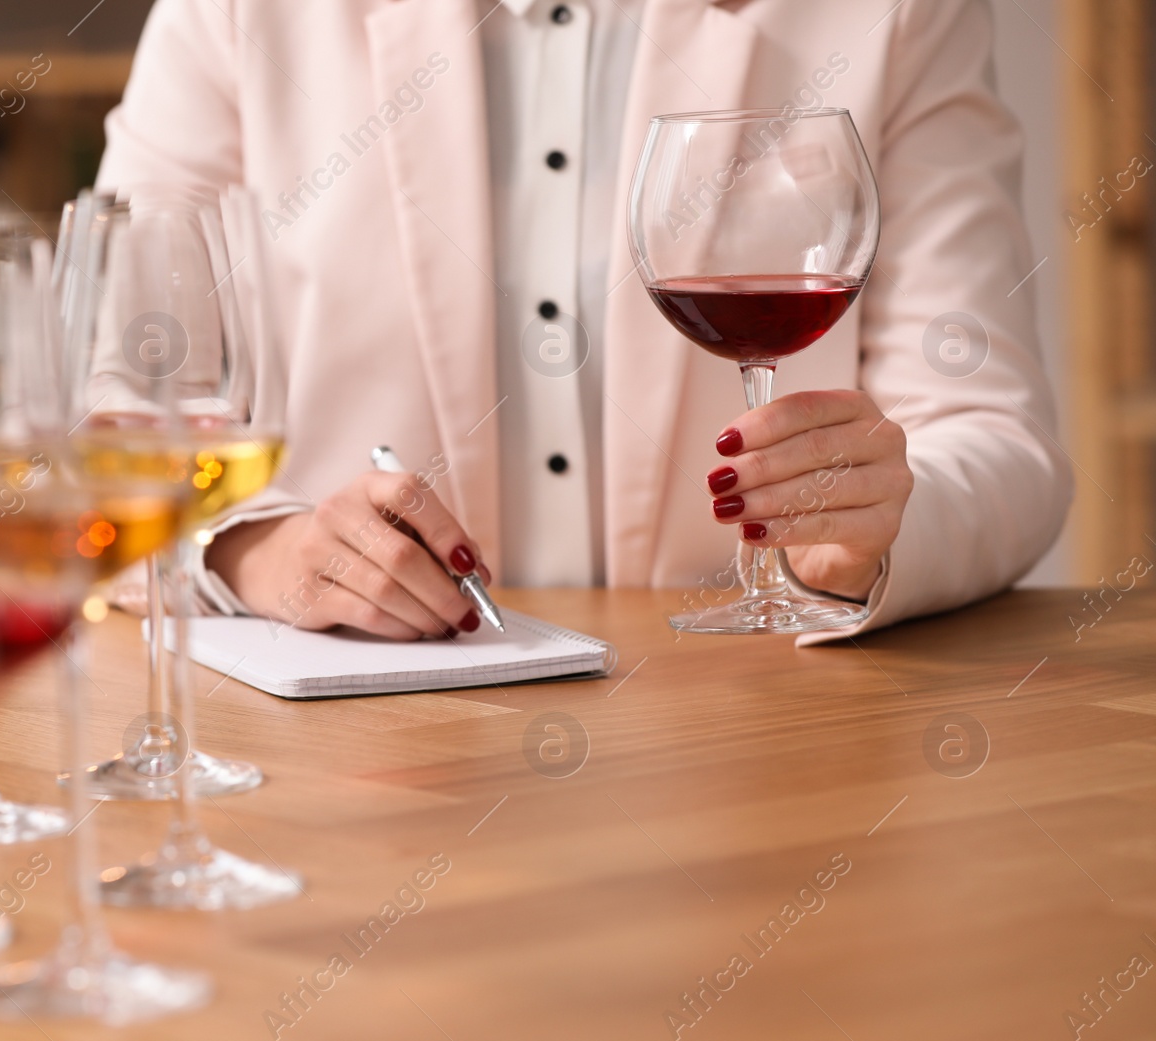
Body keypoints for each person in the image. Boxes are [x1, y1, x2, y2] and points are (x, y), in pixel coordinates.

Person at [96, 0, 1071, 641]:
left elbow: (996, 437)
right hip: (366, 762)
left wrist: (877, 527)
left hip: (764, 741)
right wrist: (255, 550)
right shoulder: (233, 15)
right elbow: (105, 412)